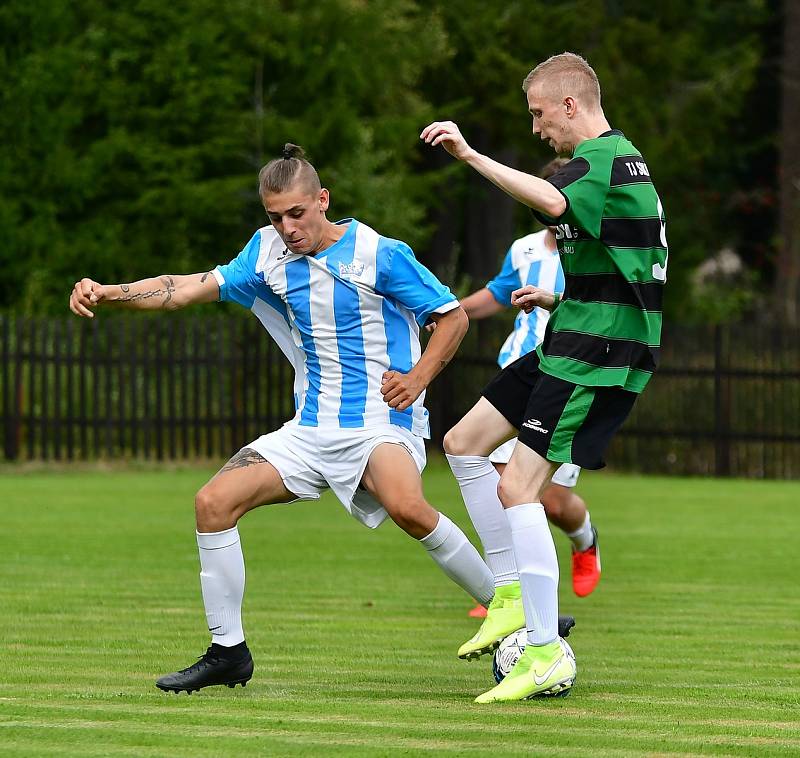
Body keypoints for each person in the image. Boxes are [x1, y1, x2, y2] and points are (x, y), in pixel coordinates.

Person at [68, 144, 498, 694]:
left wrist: (416, 380)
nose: (287, 227)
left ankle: (507, 608)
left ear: (323, 200)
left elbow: (452, 317)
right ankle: (228, 651)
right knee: (212, 503)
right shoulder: (266, 253)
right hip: (310, 426)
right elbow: (186, 288)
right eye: (275, 217)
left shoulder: (379, 253)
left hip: (380, 420)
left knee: (407, 506)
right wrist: (109, 292)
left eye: (297, 213)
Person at [421, 51, 667, 702]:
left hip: (596, 354)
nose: (536, 130)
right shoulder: (614, 168)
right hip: (574, 334)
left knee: (520, 490)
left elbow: (552, 195)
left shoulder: (606, 160)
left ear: (569, 104)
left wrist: (471, 156)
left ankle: (543, 649)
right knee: (463, 443)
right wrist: (559, 301)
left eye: (537, 114)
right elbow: (625, 270)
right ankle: (508, 596)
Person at [457, 157, 600, 622]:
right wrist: (446, 310)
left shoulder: (592, 250)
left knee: (549, 501)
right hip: (517, 372)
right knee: (504, 485)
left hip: (568, 379)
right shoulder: (523, 251)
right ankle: (508, 586)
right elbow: (497, 295)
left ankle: (585, 541)